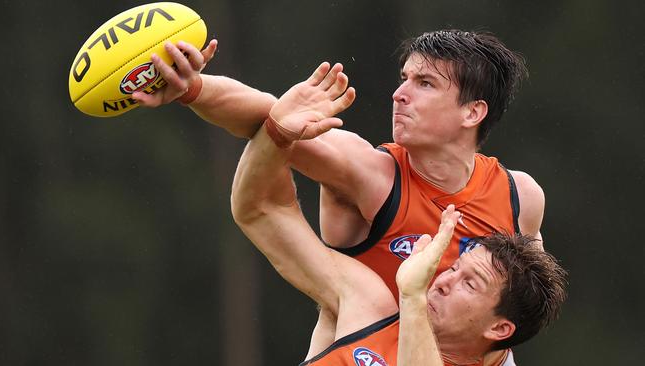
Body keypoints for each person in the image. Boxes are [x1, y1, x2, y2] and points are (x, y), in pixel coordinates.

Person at [133, 30, 543, 362]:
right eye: (404, 79)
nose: (399, 95)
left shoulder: (519, 196)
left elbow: (526, 303)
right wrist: (192, 89)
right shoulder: (369, 175)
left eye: (425, 83)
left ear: (473, 112)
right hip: (367, 347)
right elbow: (272, 116)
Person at [229, 63, 567, 365]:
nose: (444, 280)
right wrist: (277, 133)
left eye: (469, 283)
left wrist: (413, 298)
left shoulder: (406, 300)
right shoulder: (368, 304)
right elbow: (261, 210)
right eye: (456, 268)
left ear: (500, 328)